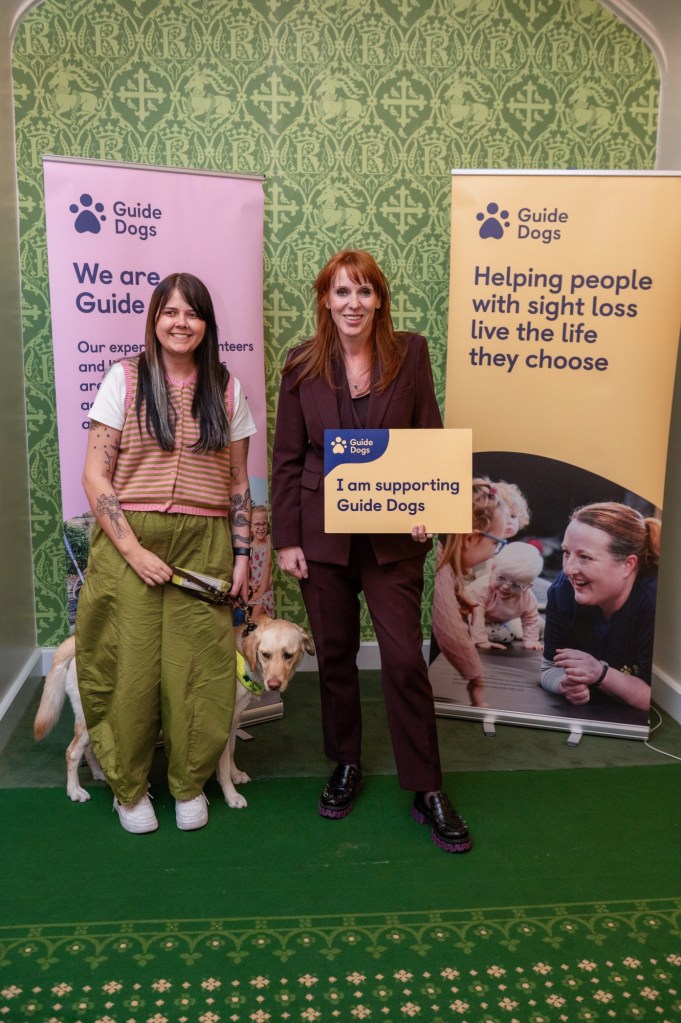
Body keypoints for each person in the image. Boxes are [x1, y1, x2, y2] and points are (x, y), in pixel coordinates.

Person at [271, 248, 470, 854]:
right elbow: (287, 459)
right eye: (341, 292)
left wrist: (431, 508)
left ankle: (427, 788)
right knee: (333, 656)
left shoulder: (410, 353)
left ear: (379, 299)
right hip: (321, 536)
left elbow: (429, 438)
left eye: (363, 291)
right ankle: (346, 763)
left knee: (404, 660)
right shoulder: (300, 363)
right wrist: (287, 539)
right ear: (325, 300)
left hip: (393, 538)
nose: (352, 303)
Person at [76, 272, 256, 834]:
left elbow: (238, 483)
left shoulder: (227, 389)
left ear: (207, 324)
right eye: (170, 312)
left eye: (192, 313)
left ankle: (189, 782)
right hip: (129, 539)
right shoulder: (123, 379)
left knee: (198, 667)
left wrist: (243, 555)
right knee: (125, 667)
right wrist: (133, 550)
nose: (182, 323)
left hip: (205, 544)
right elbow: (95, 475)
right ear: (155, 319)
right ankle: (129, 790)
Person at [541, 502, 660, 711]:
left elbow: (661, 701)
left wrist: (601, 674)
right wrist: (563, 684)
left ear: (628, 565)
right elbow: (549, 668)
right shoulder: (562, 592)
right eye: (566, 553)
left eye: (585, 557)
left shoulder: (654, 604)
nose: (568, 569)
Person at [431, 480, 510, 708]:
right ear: (470, 538)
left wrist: (458, 590)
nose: (493, 554)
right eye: (496, 544)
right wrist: (476, 678)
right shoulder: (436, 563)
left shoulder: (437, 551)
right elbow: (450, 631)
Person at [466, 541, 544, 651]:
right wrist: (481, 640)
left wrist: (531, 640)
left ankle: (516, 628)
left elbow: (531, 618)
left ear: (527, 586)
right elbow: (475, 615)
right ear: (493, 568)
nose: (506, 586)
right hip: (467, 618)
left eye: (515, 585)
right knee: (505, 635)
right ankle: (471, 634)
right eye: (501, 578)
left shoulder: (527, 598)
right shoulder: (482, 588)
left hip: (499, 619)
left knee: (540, 625)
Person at [249, 504, 275, 619]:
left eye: (264, 524)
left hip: (267, 590)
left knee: (258, 607)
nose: (261, 528)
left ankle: (252, 630)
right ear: (251, 527)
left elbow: (269, 566)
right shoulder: (248, 547)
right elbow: (246, 572)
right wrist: (249, 585)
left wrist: (260, 592)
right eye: (257, 524)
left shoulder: (269, 541)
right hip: (252, 590)